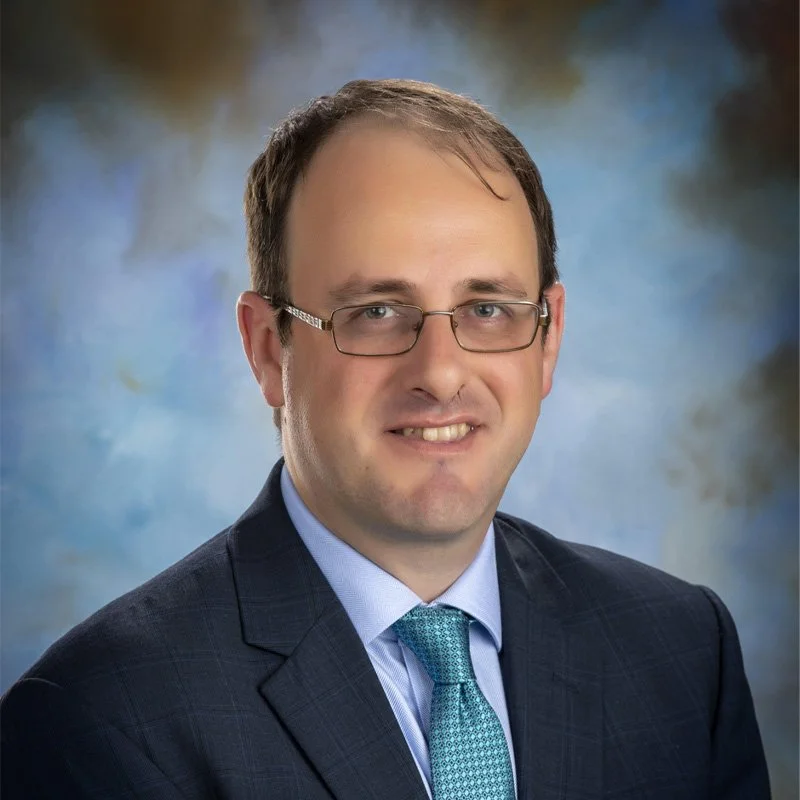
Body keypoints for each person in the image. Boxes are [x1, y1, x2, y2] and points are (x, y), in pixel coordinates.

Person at [1, 79, 770, 800]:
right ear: (268, 349)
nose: (440, 373)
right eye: (375, 312)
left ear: (549, 338)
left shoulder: (681, 651)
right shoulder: (98, 724)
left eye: (488, 309)